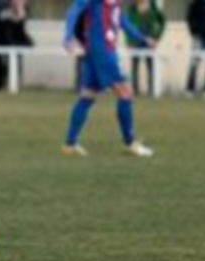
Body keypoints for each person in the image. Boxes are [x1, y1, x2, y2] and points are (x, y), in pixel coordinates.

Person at [61, 0, 155, 157]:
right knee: (125, 93)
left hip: (96, 50)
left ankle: (70, 144)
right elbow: (75, 8)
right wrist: (68, 36)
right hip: (102, 50)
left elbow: (120, 19)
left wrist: (143, 38)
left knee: (88, 95)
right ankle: (130, 143)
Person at [126, 0, 165, 96]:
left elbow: (162, 21)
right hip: (136, 41)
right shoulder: (132, 8)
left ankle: (152, 89)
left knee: (150, 66)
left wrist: (156, 37)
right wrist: (129, 41)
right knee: (135, 66)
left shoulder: (153, 7)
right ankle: (135, 90)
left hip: (149, 40)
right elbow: (127, 25)